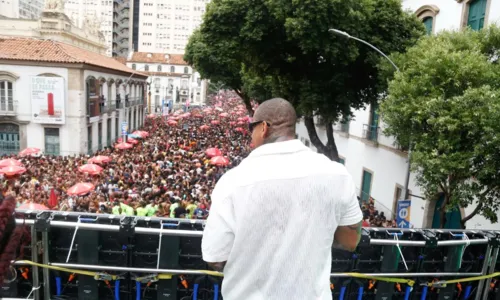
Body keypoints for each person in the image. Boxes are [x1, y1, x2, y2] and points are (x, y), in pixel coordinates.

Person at [202, 98, 363, 300]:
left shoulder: (232, 182)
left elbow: (215, 257)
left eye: (251, 127)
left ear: (263, 128)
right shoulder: (337, 174)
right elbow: (351, 240)